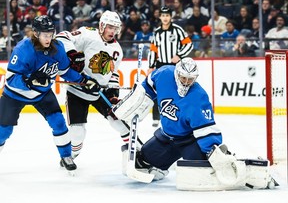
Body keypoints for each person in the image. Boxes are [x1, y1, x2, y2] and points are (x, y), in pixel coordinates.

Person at [114, 57, 278, 189]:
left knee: (208, 172)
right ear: (176, 73)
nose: (186, 82)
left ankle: (250, 173)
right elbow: (148, 87)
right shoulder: (164, 73)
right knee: (143, 161)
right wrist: (137, 101)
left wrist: (212, 151)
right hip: (166, 137)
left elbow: (207, 131)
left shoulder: (199, 97)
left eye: (190, 79)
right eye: (183, 77)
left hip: (190, 142)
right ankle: (161, 165)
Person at [0, 15, 99, 173]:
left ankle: (66, 156)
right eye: (45, 35)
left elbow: (65, 71)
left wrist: (84, 80)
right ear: (36, 33)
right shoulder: (23, 49)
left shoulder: (57, 48)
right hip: (15, 95)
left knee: (58, 122)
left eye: (51, 33)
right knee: (4, 131)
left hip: (42, 94)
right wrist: (29, 82)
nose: (49, 38)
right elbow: (11, 79)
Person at [55, 10, 134, 161]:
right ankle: (71, 155)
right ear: (102, 25)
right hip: (77, 90)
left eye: (115, 28)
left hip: (98, 92)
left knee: (118, 122)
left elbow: (113, 74)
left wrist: (113, 95)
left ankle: (135, 149)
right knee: (77, 133)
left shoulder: (117, 50)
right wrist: (72, 53)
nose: (113, 31)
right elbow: (61, 37)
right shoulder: (88, 33)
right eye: (110, 27)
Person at [147, 6, 193, 127]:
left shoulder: (178, 30)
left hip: (175, 65)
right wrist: (151, 66)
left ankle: (180, 115)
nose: (165, 18)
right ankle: (156, 118)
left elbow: (189, 45)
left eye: (167, 15)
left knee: (178, 90)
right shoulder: (157, 32)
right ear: (160, 17)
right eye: (163, 15)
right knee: (158, 90)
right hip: (161, 64)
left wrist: (179, 55)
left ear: (171, 17)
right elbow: (153, 51)